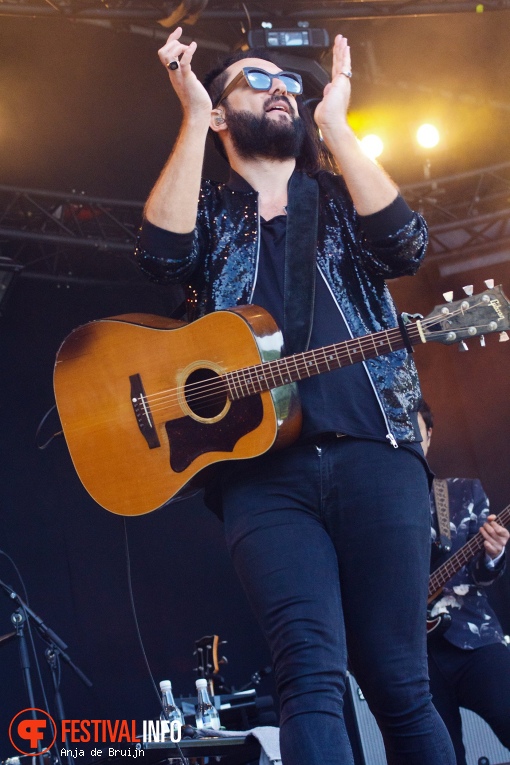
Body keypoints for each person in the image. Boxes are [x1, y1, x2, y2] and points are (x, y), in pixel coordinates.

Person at [135, 27, 456, 765]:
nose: (282, 85)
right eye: (256, 78)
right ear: (222, 115)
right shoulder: (212, 213)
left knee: (400, 682)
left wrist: (338, 123)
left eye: (290, 80)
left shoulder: (338, 202)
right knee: (307, 678)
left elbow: (406, 245)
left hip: (376, 454)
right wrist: (190, 117)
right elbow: (160, 253)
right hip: (260, 478)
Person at [418, 400, 510, 765]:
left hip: (473, 637)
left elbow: (482, 576)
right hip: (416, 662)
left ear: (429, 434)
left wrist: (494, 553)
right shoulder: (375, 506)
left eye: (417, 429)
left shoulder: (460, 491)